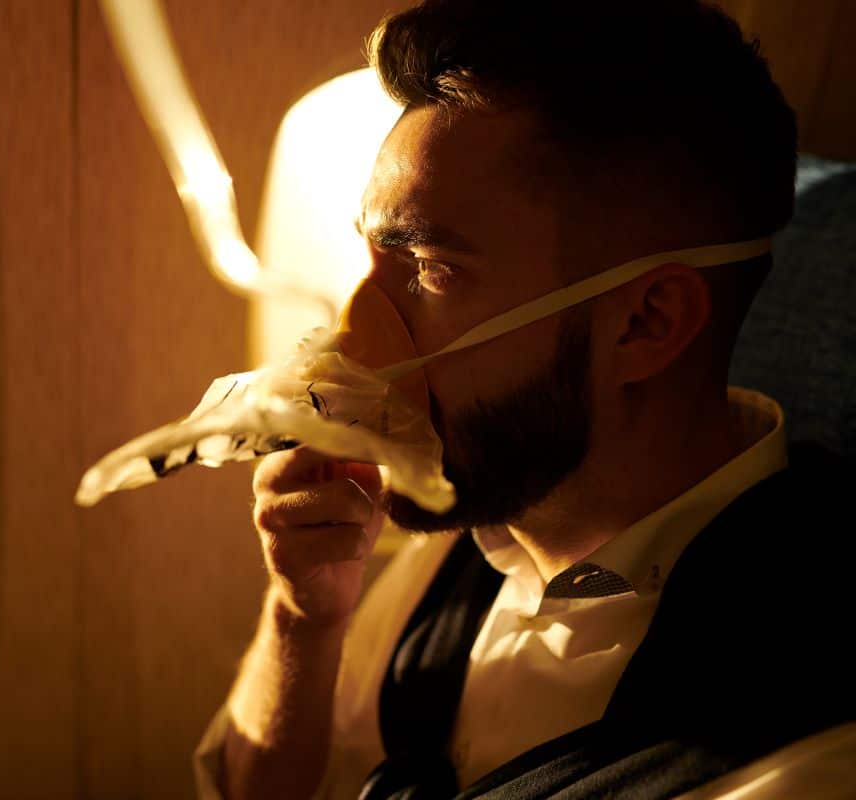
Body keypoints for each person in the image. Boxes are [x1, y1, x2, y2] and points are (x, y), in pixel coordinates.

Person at [195, 1, 854, 798]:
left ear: (647, 323)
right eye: (374, 259)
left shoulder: (800, 746)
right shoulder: (472, 527)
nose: (354, 340)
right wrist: (304, 618)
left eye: (432, 270)